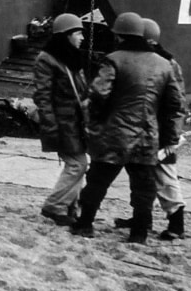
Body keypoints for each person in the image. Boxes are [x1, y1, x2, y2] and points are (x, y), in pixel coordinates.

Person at [70, 12, 184, 245]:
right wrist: (170, 139)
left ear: (119, 36)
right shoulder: (164, 65)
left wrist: (95, 123)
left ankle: (85, 225)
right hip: (147, 137)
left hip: (115, 134)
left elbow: (99, 94)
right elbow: (175, 106)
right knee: (143, 188)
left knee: (98, 181)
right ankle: (139, 233)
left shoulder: (114, 59)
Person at [112, 18, 190, 241]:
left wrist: (170, 138)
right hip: (149, 129)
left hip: (158, 130)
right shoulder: (163, 61)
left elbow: (174, 104)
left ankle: (176, 224)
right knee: (142, 176)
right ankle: (142, 218)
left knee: (163, 176)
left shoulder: (163, 63)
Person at [34, 13, 91, 226]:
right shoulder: (47, 60)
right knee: (78, 164)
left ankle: (70, 208)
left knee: (79, 164)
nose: (82, 38)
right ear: (66, 36)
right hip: (63, 122)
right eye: (78, 33)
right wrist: (50, 126)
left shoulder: (70, 57)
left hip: (75, 121)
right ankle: (55, 205)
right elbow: (43, 97)